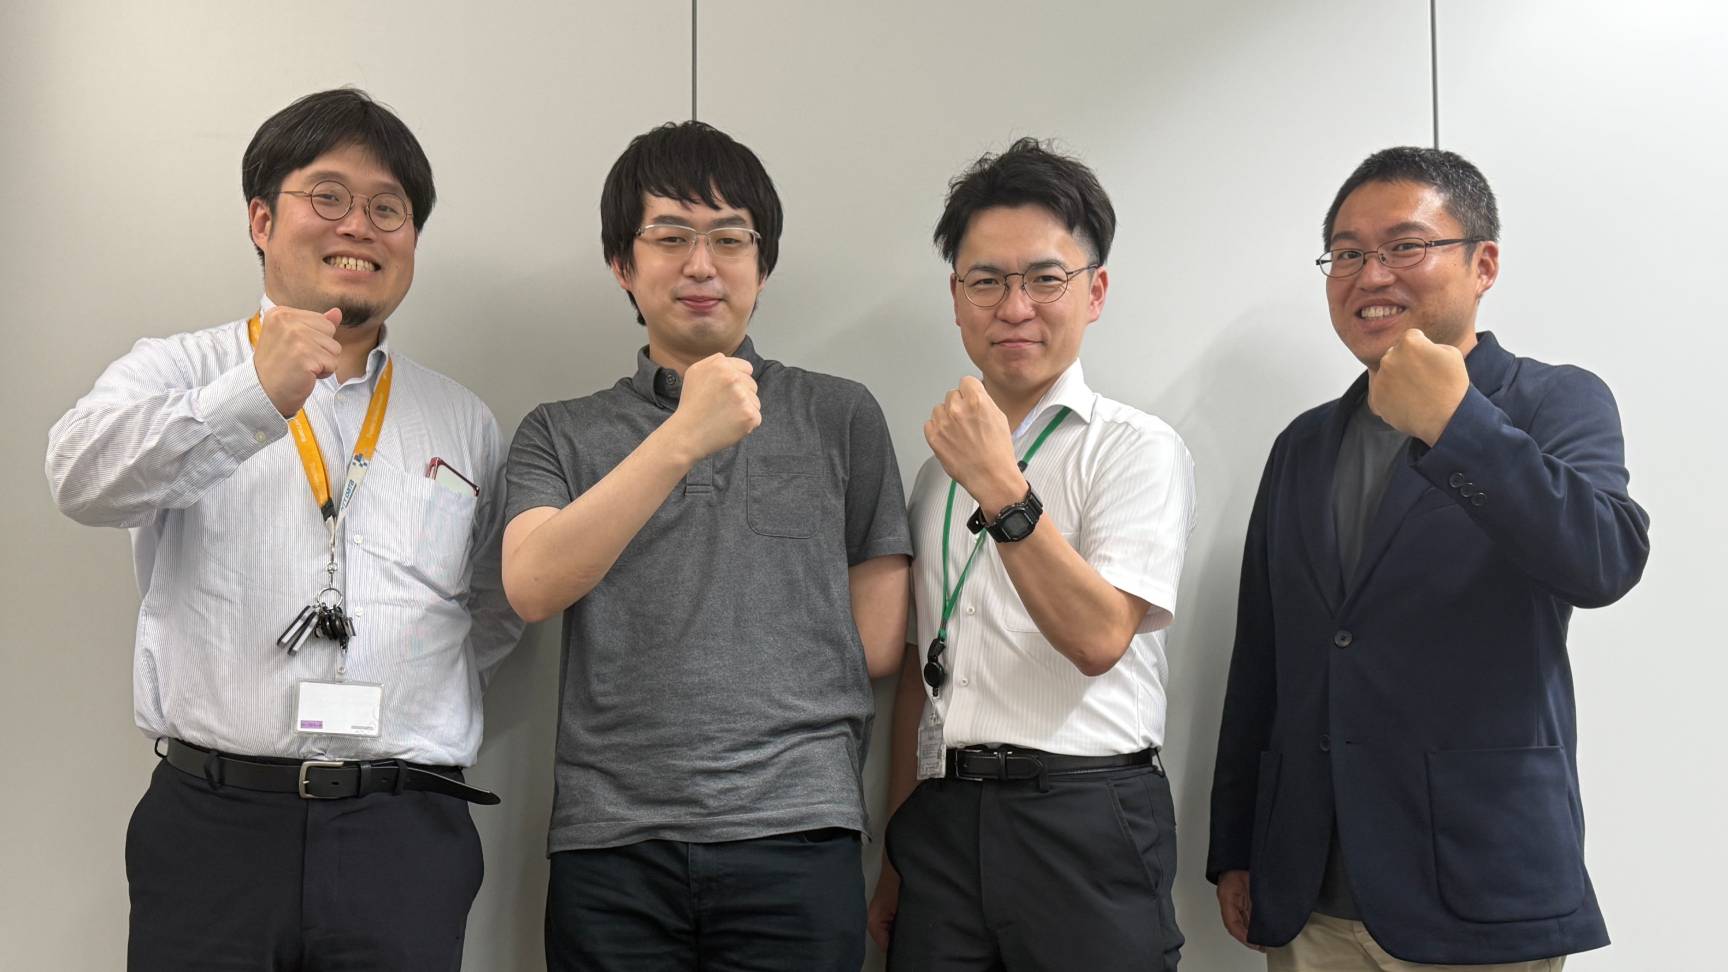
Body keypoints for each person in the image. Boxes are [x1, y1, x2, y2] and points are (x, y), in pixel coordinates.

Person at [45, 87, 523, 970]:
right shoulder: (179, 369)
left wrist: (406, 679)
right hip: (213, 823)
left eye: (388, 208)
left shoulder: (461, 419)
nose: (360, 226)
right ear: (262, 220)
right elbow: (78, 478)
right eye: (328, 196)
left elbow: (493, 605)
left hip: (404, 832)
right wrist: (251, 398)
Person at [1207, 146, 1651, 971]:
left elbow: (1603, 561)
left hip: (1479, 886)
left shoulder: (1554, 400)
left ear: (1483, 265)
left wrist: (1457, 424)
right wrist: (1236, 842)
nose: (1370, 275)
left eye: (1405, 246)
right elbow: (1264, 657)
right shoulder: (1303, 444)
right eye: (1347, 254)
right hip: (1309, 890)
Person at [500, 119, 912, 971]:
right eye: (670, 237)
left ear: (763, 264)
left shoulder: (840, 415)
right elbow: (531, 587)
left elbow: (878, 642)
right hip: (612, 842)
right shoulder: (560, 432)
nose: (701, 265)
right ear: (622, 263)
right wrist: (682, 437)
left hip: (798, 829)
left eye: (730, 239)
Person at [871, 137, 1197, 971]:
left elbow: (1099, 638)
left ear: (1095, 292)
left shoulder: (1135, 448)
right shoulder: (932, 474)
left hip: (1085, 816)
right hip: (943, 819)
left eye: (1046, 278)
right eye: (987, 281)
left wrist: (997, 483)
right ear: (956, 299)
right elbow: (918, 675)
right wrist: (897, 852)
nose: (1015, 307)